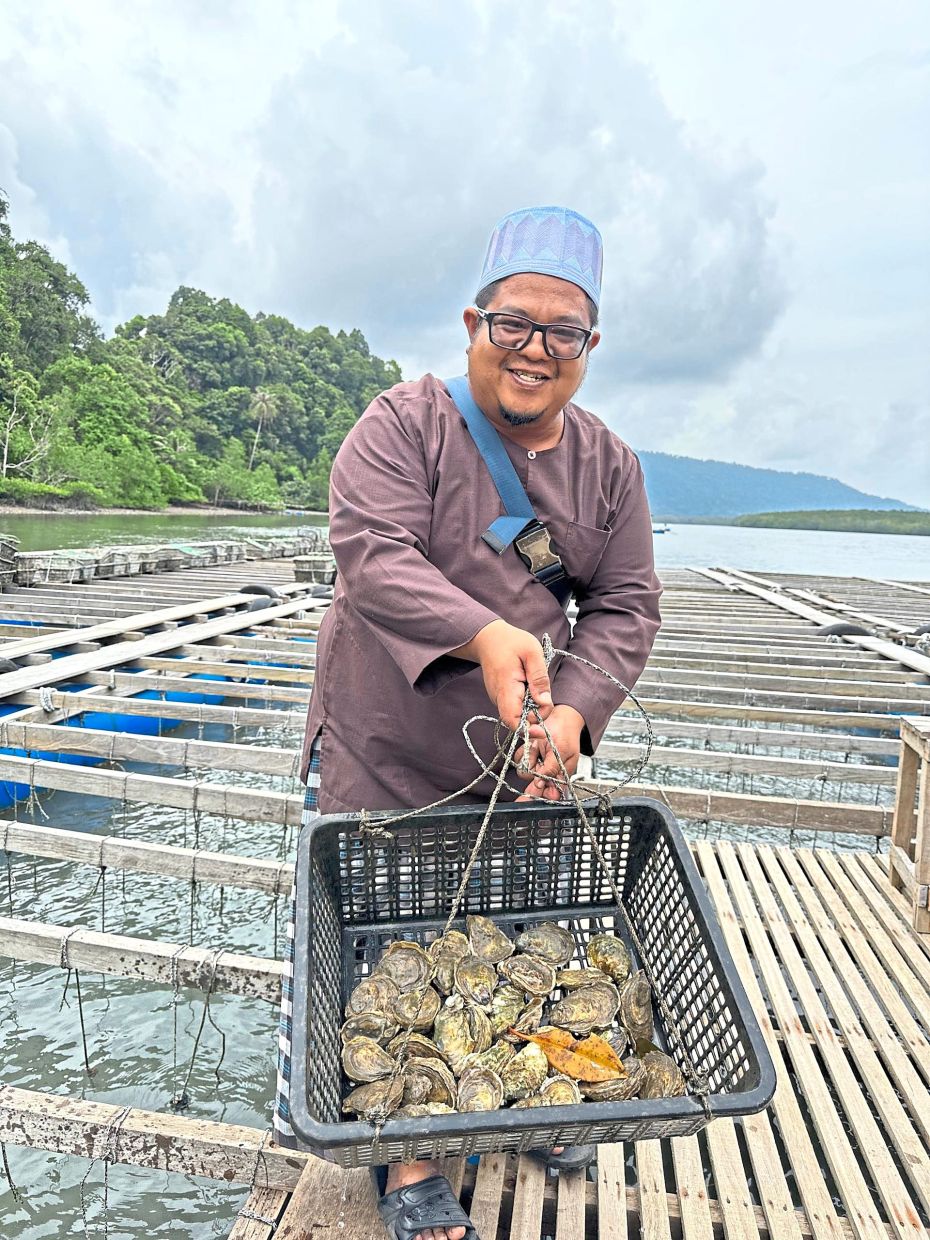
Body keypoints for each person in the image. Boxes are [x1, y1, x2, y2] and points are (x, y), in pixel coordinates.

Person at [274, 205, 662, 1240]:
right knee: (392, 944)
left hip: (522, 751)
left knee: (514, 933)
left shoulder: (608, 466)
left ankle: (529, 1087)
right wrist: (486, 635)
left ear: (589, 346)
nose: (535, 348)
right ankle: (408, 1160)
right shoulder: (400, 425)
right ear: (472, 322)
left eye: (562, 330)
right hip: (384, 741)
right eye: (513, 322)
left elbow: (625, 604)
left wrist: (575, 711)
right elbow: (372, 554)